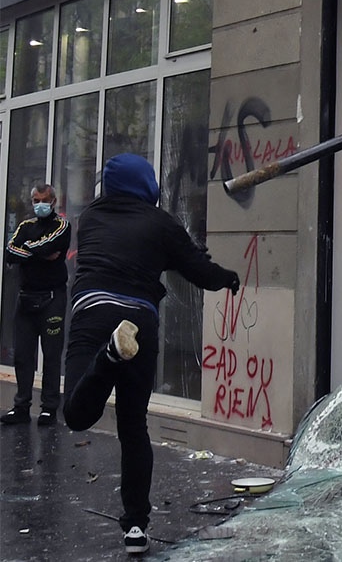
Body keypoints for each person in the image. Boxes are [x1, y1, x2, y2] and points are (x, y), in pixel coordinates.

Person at [61, 153, 240, 555]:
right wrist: (227, 277)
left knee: (76, 414)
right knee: (133, 427)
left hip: (91, 311)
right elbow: (197, 270)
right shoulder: (161, 224)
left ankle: (108, 356)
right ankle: (136, 527)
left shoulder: (89, 218)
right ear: (146, 184)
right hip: (138, 317)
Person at [1, 184, 71, 426]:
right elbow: (10, 252)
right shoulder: (26, 226)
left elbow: (51, 246)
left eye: (43, 199)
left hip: (52, 298)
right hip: (26, 299)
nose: (39, 204)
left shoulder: (62, 225)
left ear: (53, 201)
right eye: (35, 200)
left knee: (51, 356)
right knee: (22, 356)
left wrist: (28, 250)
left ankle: (49, 408)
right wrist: (37, 252)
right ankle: (21, 406)